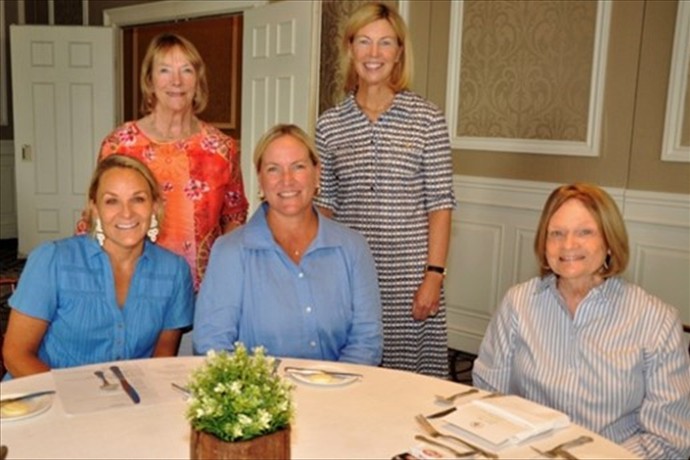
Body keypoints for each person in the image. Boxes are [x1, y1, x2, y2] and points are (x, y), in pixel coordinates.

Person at [473, 183, 690, 459]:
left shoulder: (656, 321)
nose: (568, 245)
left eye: (585, 232)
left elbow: (669, 439)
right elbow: (489, 397)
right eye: (556, 234)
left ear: (609, 242)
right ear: (544, 243)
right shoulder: (518, 304)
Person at [314, 2, 455, 377]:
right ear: (350, 50)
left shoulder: (427, 119)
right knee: (353, 371)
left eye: (385, 43)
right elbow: (325, 205)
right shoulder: (329, 125)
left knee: (409, 382)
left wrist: (434, 276)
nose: (374, 54)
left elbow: (440, 204)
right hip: (349, 272)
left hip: (410, 274)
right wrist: (319, 271)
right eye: (364, 41)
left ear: (399, 54)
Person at [193, 124, 383, 365]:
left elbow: (367, 341)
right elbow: (212, 344)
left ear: (317, 173)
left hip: (340, 395)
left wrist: (330, 390)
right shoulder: (229, 252)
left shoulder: (353, 248)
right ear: (260, 180)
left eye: (298, 167)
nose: (287, 180)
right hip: (258, 398)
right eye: (274, 169)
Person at [3, 155, 194, 378]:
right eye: (111, 201)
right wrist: (75, 403)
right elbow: (16, 355)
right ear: (95, 209)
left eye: (138, 199)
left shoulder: (175, 271)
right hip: (43, 398)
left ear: (155, 206)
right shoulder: (52, 260)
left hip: (127, 403)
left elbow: (162, 359)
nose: (126, 213)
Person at [91, 32, 248, 291]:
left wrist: (229, 278)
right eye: (164, 70)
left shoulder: (222, 149)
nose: (176, 81)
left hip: (203, 289)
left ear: (197, 81)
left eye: (186, 70)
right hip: (132, 285)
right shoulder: (120, 144)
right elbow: (96, 215)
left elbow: (235, 217)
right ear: (149, 80)